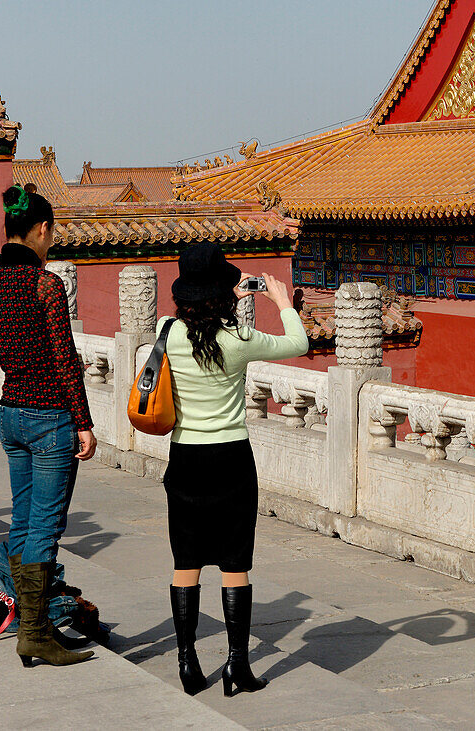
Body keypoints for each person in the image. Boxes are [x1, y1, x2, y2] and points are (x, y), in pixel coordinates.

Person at [161, 242, 308, 696]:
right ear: (223, 293)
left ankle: (187, 665)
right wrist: (280, 302)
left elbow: (197, 319)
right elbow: (299, 343)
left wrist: (231, 298)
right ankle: (236, 667)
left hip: (185, 455)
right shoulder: (239, 341)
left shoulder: (168, 332)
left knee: (185, 562)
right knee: (234, 563)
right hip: (230, 457)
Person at [0, 184, 96, 667]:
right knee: (46, 526)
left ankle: (38, 627)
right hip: (48, 418)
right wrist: (83, 422)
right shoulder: (45, 284)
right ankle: (34, 632)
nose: (52, 243)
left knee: (24, 521)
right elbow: (63, 357)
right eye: (52, 234)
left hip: (11, 414)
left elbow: (21, 351)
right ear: (41, 229)